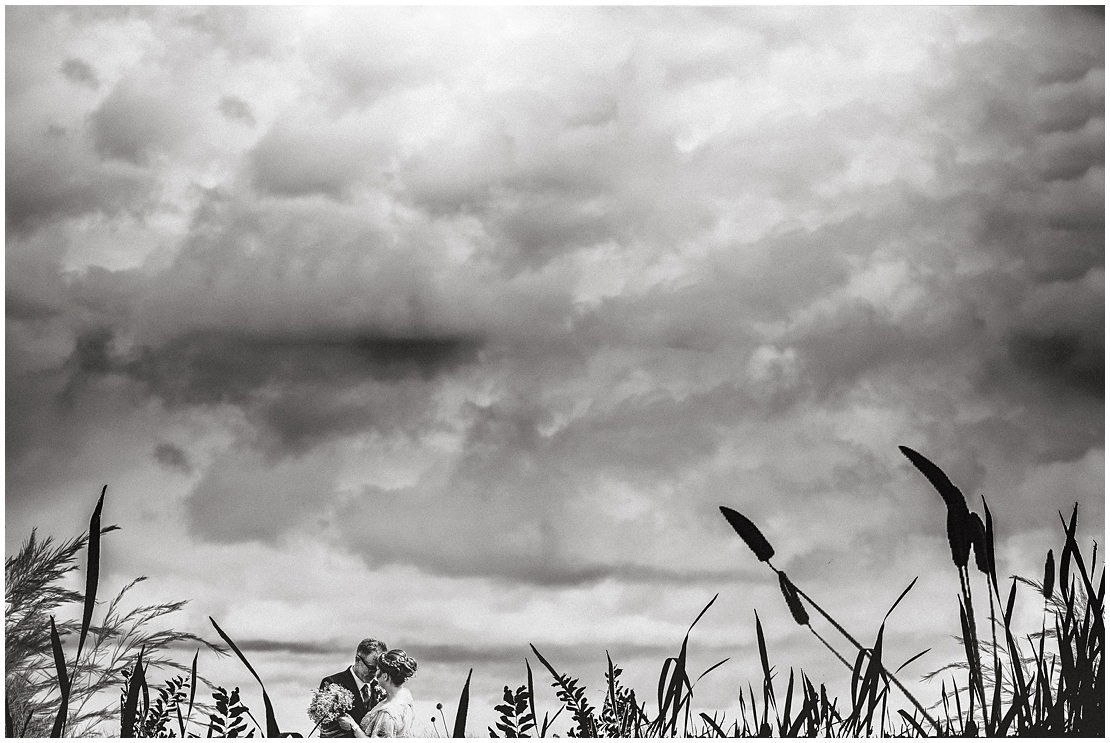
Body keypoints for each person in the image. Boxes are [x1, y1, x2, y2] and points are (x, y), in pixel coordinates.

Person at [337, 649, 418, 738]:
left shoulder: (387, 713)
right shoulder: (404, 695)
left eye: (378, 670)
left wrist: (354, 726)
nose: (375, 674)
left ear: (385, 676)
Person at [318, 639, 387, 738]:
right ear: (357, 660)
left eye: (378, 669)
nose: (375, 674)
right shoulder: (332, 683)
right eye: (371, 668)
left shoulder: (381, 688)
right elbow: (328, 730)